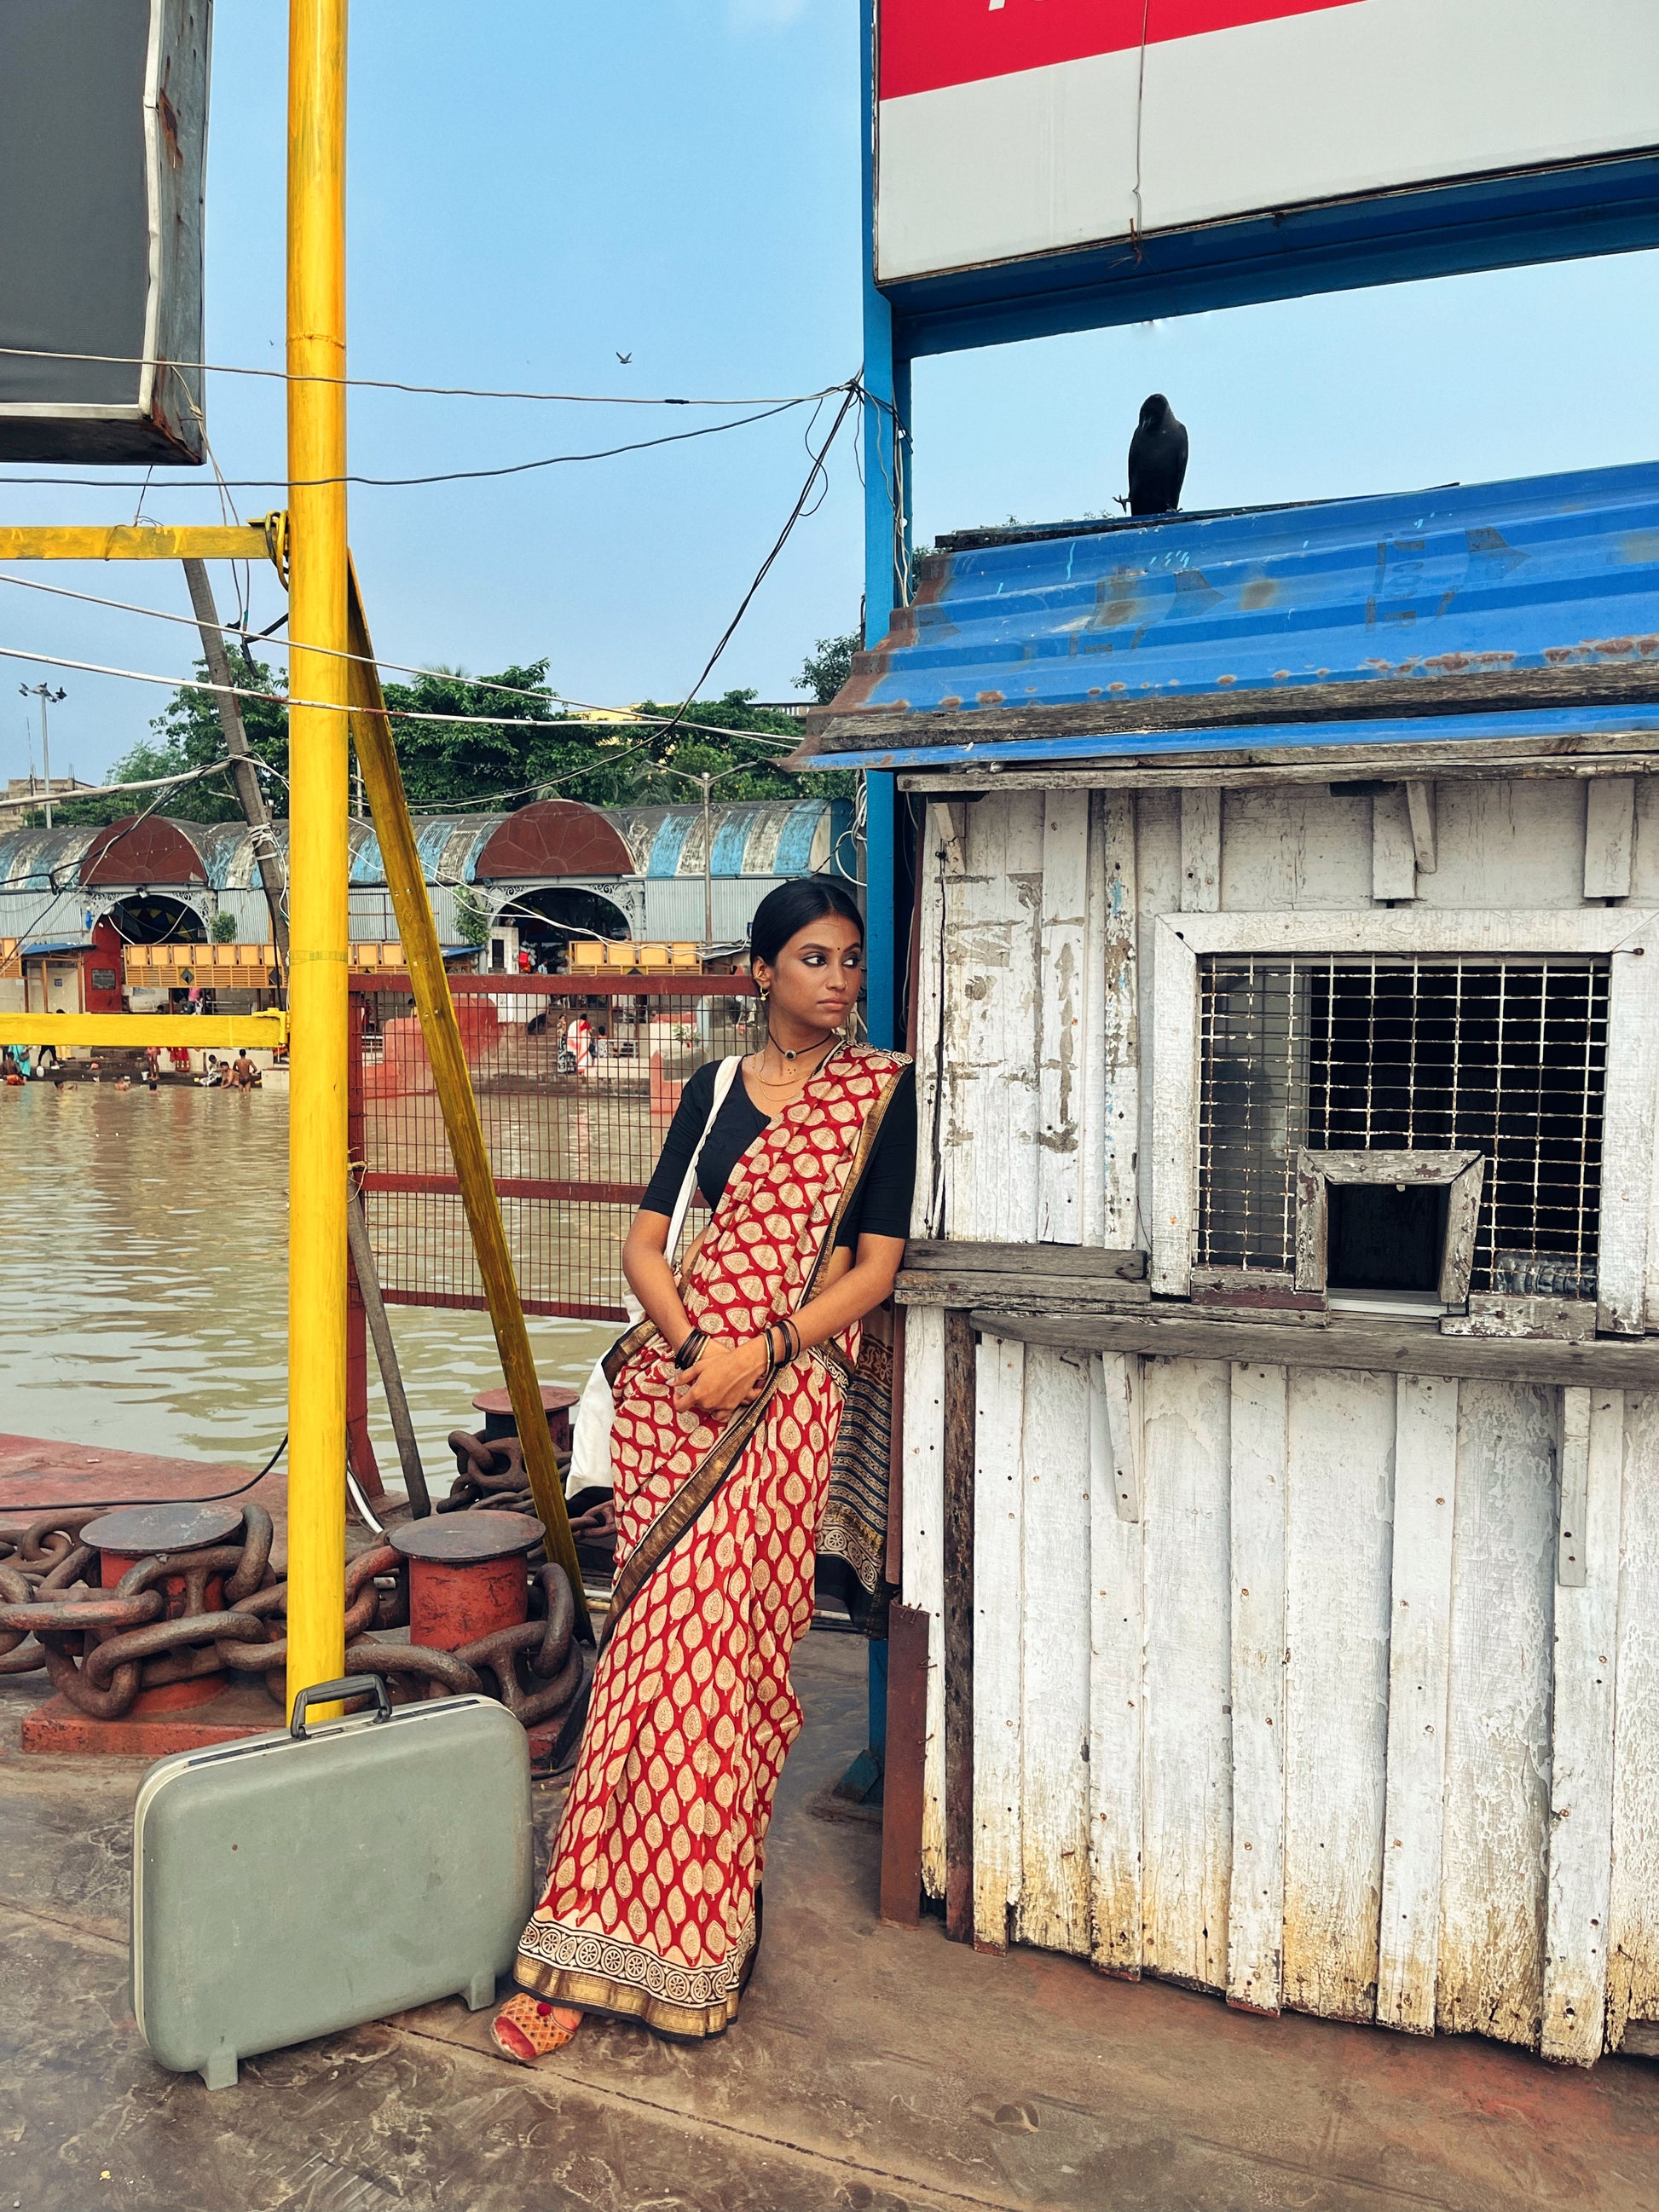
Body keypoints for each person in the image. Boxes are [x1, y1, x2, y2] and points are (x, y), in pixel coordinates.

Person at [491, 877, 915, 2063]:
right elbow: (645, 1244)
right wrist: (693, 1352)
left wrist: (761, 1353)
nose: (839, 982)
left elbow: (872, 1269)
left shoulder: (879, 1096)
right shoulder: (714, 1090)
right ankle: (581, 1939)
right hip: (679, 1399)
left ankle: (699, 1927)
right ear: (763, 971)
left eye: (850, 963)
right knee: (644, 1667)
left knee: (725, 1671)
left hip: (781, 1406)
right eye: (817, 960)